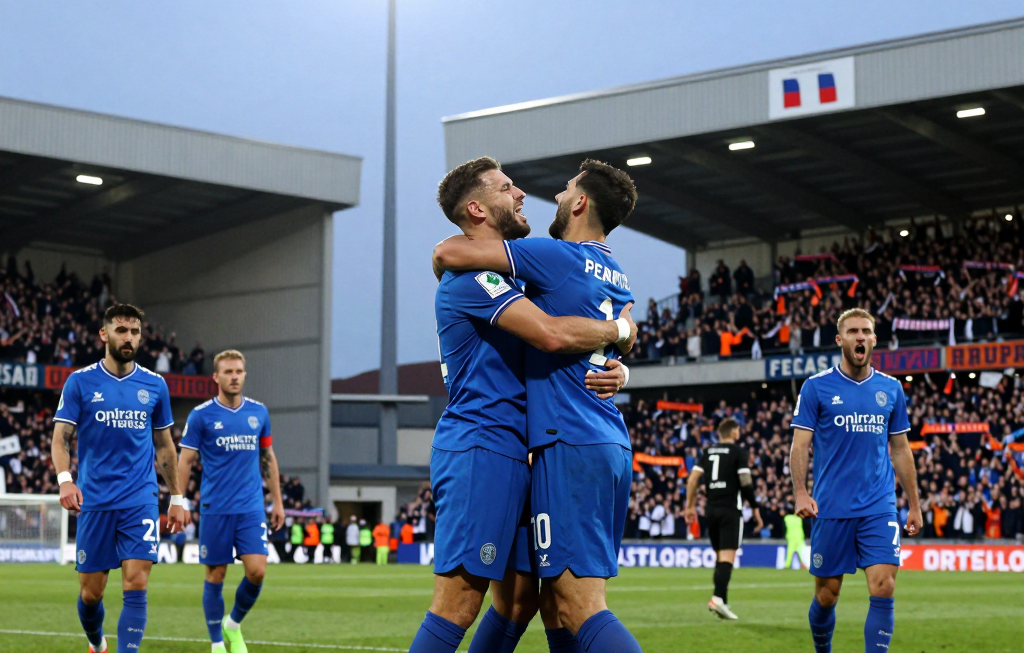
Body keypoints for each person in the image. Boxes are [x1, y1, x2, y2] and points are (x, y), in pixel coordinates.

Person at [410, 156, 633, 653]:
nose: (521, 194)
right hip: (481, 448)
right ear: (477, 207)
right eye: (507, 188)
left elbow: (577, 321)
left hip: (525, 453)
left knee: (521, 603)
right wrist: (620, 330)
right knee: (457, 605)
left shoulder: (519, 280)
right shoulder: (476, 279)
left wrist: (615, 360)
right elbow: (552, 334)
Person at [52, 303, 187, 653]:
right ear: (104, 334)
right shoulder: (80, 382)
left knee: (136, 584)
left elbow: (165, 445)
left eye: (135, 331)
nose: (129, 338)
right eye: (121, 330)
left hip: (139, 497)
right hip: (95, 500)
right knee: (90, 594)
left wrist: (176, 497)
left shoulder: (155, 385)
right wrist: (65, 479)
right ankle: (96, 642)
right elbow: (61, 438)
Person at [790, 308, 923, 653]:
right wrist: (801, 492)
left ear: (874, 339)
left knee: (884, 586)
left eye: (866, 331)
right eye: (852, 331)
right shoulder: (816, 387)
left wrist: (914, 504)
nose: (860, 336)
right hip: (832, 506)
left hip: (879, 506)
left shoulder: (891, 389)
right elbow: (799, 445)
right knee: (827, 595)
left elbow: (901, 450)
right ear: (840, 340)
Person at [177, 349, 285, 652]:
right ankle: (216, 644)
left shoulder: (258, 413)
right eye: (228, 372)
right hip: (215, 507)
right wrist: (179, 500)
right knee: (216, 574)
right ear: (216, 377)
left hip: (251, 507)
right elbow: (185, 461)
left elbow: (268, 457)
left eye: (238, 371)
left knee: (257, 571)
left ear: (245, 374)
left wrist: (277, 502)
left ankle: (233, 624)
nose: (234, 376)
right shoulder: (201, 416)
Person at [684, 417, 762, 619]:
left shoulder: (707, 452)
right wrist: (755, 508)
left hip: (710, 510)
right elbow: (745, 482)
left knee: (720, 558)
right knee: (727, 558)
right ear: (735, 432)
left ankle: (723, 604)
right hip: (730, 510)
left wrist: (690, 506)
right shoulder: (738, 452)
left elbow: (692, 480)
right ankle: (717, 599)